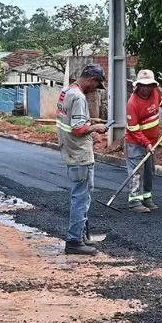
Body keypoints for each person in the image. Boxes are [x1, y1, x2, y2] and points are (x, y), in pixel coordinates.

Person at [56, 63, 109, 256]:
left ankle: (82, 234)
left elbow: (71, 121)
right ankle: (74, 241)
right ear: (90, 79)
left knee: (82, 195)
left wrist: (90, 121)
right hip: (79, 153)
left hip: (69, 150)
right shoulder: (78, 97)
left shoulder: (67, 91)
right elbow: (78, 130)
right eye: (96, 85)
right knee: (81, 197)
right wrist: (96, 128)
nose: (96, 89)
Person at [124, 69, 162, 214]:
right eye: (143, 85)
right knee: (136, 172)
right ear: (138, 86)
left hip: (152, 143)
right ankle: (135, 202)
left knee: (149, 171)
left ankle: (147, 198)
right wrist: (146, 144)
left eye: (149, 85)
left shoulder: (155, 93)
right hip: (136, 143)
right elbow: (134, 129)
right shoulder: (132, 104)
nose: (146, 89)